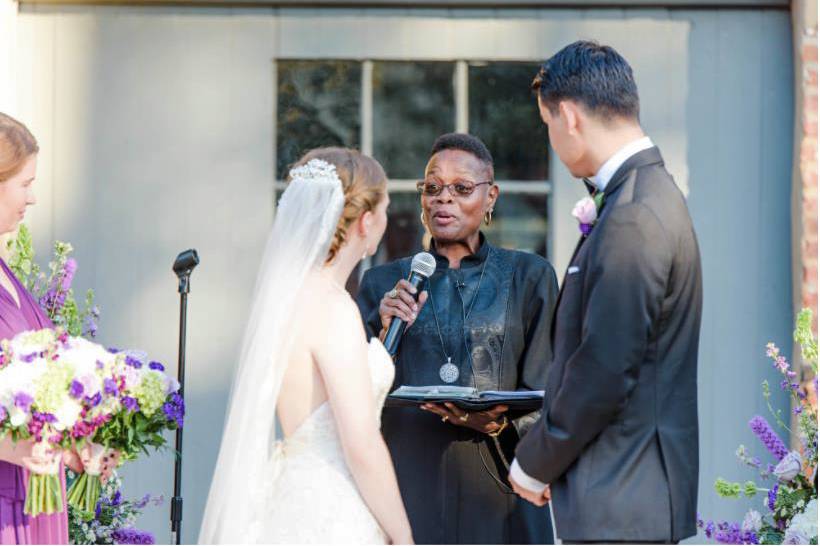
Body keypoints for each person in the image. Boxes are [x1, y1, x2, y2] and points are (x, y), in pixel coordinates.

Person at [509, 41, 703, 544]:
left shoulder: (634, 214)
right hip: (625, 496)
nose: (551, 139)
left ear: (570, 116)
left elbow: (606, 364)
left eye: (548, 124)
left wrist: (536, 461)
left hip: (621, 497)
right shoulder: (640, 197)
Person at [199, 148, 413, 544]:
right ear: (366, 223)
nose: (388, 220)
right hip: (331, 507)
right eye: (385, 209)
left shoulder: (286, 299)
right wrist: (404, 536)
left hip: (287, 495)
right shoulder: (332, 307)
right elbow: (361, 444)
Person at [356, 133, 557, 544]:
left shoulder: (529, 277)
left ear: (491, 197)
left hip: (499, 487)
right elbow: (353, 400)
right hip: (409, 483)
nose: (442, 199)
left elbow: (548, 390)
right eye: (432, 188)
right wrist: (382, 333)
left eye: (461, 188)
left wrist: (497, 423)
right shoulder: (382, 284)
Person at [0, 112, 117, 545]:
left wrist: (77, 446)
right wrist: (13, 447)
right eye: (25, 184)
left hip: (35, 497)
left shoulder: (6, 275)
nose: (31, 199)